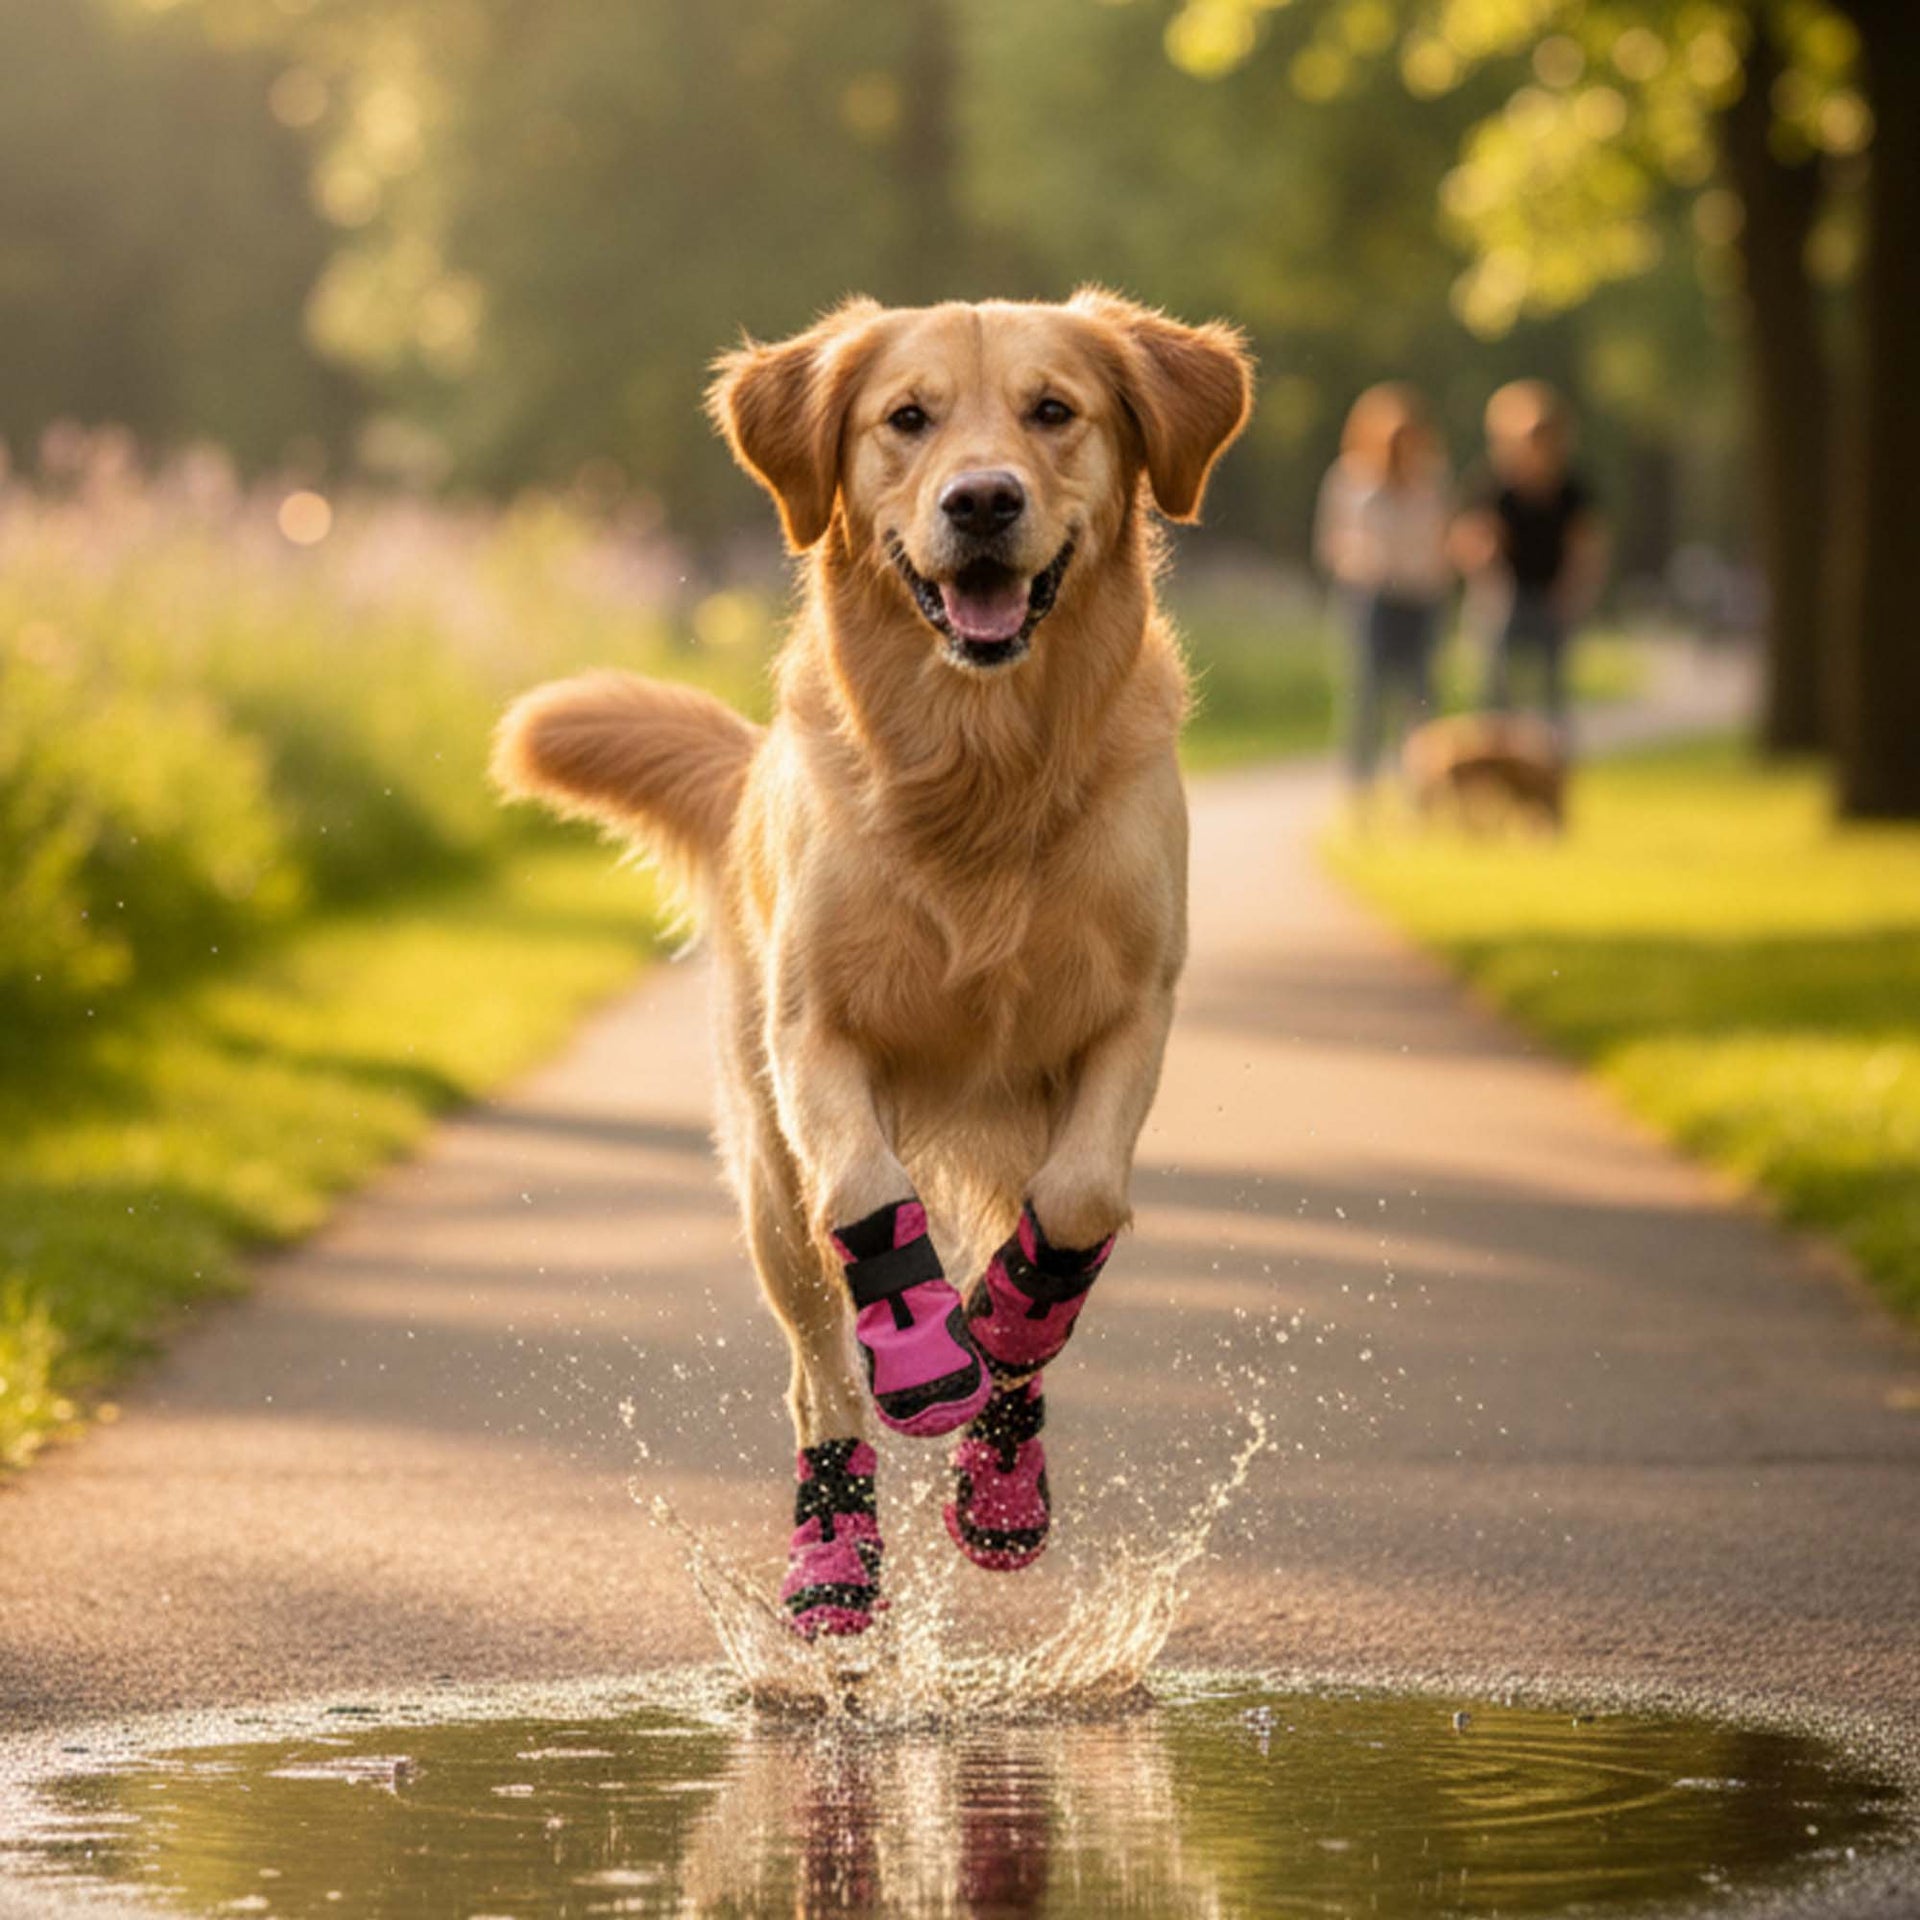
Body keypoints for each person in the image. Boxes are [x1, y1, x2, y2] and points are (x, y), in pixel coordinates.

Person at [1314, 384, 1454, 796]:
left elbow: (1442, 541)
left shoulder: (1432, 482)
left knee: (1422, 698)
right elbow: (1330, 544)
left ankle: (1423, 789)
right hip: (1371, 598)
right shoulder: (1349, 480)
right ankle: (1361, 788)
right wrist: (1361, 558)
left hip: (1421, 598)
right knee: (1366, 697)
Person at [1453, 380, 1609, 735]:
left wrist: (1575, 592)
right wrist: (1481, 552)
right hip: (1503, 596)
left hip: (1553, 597)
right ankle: (1497, 761)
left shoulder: (1571, 489)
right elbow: (1467, 539)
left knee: (1552, 692)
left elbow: (1586, 546)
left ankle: (1552, 765)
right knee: (1496, 688)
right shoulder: (1493, 486)